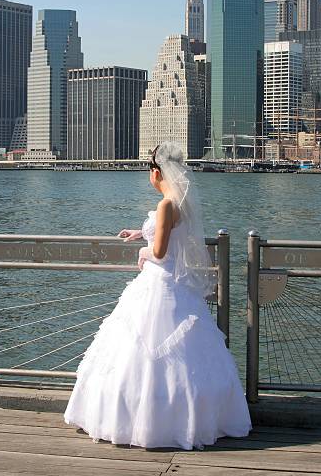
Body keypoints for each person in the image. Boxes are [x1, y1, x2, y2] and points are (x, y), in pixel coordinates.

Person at [64, 141, 251, 450]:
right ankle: (186, 415)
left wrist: (142, 249)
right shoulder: (182, 202)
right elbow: (172, 235)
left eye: (150, 172)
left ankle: (142, 420)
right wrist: (143, 233)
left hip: (159, 283)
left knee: (142, 350)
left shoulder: (166, 205)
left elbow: (161, 252)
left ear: (157, 172)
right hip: (178, 289)